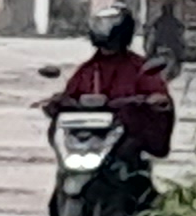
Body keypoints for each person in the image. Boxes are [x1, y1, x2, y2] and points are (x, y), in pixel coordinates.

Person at [46, 10, 176, 160]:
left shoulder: (139, 68)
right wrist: (57, 102)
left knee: (132, 156)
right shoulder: (88, 69)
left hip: (125, 140)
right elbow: (71, 93)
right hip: (89, 139)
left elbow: (157, 95)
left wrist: (151, 100)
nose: (108, 47)